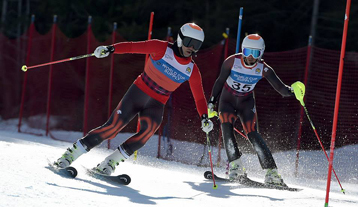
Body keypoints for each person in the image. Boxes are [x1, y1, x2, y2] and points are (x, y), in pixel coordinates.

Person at [54, 23, 214, 175]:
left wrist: (204, 118)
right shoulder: (161, 48)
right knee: (112, 128)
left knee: (146, 133)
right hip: (138, 93)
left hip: (157, 103)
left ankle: (108, 164)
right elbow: (132, 46)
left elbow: (199, 97)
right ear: (180, 39)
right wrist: (110, 49)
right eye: (189, 42)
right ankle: (69, 156)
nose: (191, 47)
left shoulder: (191, 70)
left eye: (197, 45)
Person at [207, 34, 296, 186]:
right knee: (226, 128)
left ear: (260, 53)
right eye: (247, 51)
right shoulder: (231, 61)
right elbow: (220, 81)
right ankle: (236, 167)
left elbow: (281, 89)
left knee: (252, 133)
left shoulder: (263, 69)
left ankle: (272, 173)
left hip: (246, 103)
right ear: (242, 50)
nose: (249, 57)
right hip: (227, 101)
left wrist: (293, 91)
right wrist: (211, 102)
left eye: (254, 53)